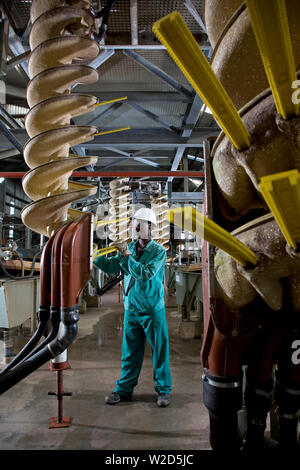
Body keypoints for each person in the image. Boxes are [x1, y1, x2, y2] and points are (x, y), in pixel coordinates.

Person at [94, 207, 172, 407]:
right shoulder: (129, 247)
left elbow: (145, 273)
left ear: (150, 228)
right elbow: (112, 266)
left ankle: (163, 391)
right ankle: (124, 390)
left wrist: (126, 255)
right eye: (135, 224)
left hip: (153, 310)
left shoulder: (159, 252)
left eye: (141, 224)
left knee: (159, 350)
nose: (137, 228)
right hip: (132, 310)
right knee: (129, 353)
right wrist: (94, 255)